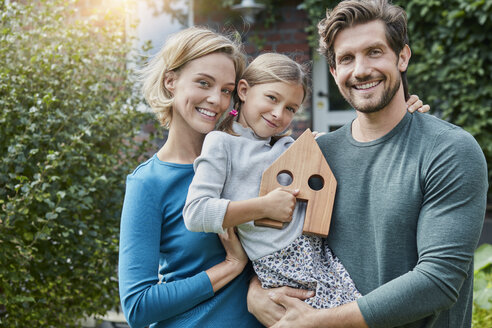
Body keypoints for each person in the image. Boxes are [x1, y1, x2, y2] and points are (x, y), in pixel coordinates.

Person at [246, 1, 488, 327]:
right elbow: (269, 243)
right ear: (333, 72)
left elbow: (438, 281)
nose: (360, 70)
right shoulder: (317, 154)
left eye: (374, 52)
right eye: (346, 58)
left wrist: (319, 322)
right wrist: (254, 291)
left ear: (402, 57)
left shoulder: (448, 150)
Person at [184, 52, 429, 310]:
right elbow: (195, 213)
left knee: (363, 311)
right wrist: (264, 207)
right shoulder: (221, 143)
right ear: (243, 90)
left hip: (319, 254)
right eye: (272, 98)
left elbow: (354, 138)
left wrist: (400, 110)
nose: (278, 113)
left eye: (290, 108)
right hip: (282, 266)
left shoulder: (288, 146)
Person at [118, 26, 264, 328]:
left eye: (226, 90)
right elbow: (138, 306)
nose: (216, 99)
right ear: (171, 81)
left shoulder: (254, 162)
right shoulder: (149, 183)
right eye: (203, 83)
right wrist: (231, 266)